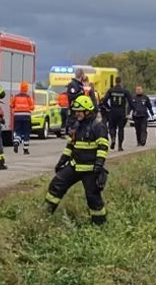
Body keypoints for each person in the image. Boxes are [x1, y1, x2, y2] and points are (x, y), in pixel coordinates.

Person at [46, 94, 110, 225]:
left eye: (79, 111)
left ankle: (100, 224)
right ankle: (45, 215)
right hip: (75, 166)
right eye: (76, 112)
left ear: (87, 111)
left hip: (91, 169)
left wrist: (99, 164)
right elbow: (70, 145)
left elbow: (103, 146)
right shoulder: (76, 125)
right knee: (56, 185)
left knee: (93, 197)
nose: (77, 114)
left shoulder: (98, 126)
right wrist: (62, 161)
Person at [103, 77, 132, 152]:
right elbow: (130, 102)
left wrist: (108, 108)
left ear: (115, 82)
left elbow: (104, 101)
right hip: (121, 112)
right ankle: (120, 146)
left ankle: (113, 138)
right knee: (121, 129)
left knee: (112, 127)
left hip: (113, 111)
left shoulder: (111, 90)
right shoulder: (125, 91)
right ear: (121, 81)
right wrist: (128, 111)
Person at [10, 81, 35, 154]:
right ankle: (25, 149)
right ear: (26, 89)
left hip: (17, 116)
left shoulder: (16, 97)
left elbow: (11, 105)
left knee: (18, 131)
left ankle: (16, 142)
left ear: (20, 88)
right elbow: (32, 107)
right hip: (26, 116)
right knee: (26, 132)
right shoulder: (28, 97)